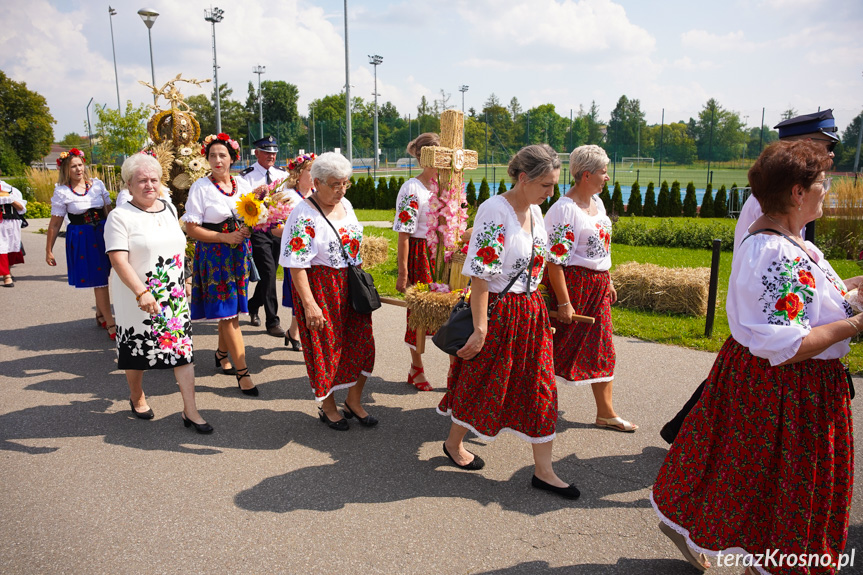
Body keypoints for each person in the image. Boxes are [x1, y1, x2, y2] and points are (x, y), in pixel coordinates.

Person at [652, 140, 857, 574]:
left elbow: (809, 298)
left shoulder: (787, 241)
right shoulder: (775, 251)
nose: (828, 189)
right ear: (798, 193)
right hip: (789, 388)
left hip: (782, 385)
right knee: (777, 488)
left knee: (756, 482)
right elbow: (788, 345)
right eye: (822, 183)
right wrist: (858, 324)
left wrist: (853, 292)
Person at [660, 109, 841, 445]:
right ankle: (687, 432)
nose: (830, 156)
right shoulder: (773, 210)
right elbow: (766, 265)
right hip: (772, 321)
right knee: (734, 390)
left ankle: (685, 431)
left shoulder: (791, 198)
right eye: (822, 146)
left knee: (725, 386)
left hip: (779, 323)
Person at [437, 144, 579, 500]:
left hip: (530, 312)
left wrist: (549, 309)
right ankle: (454, 444)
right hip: (499, 312)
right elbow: (481, 275)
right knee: (480, 379)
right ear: (523, 178)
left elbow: (538, 265)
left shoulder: (535, 211)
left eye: (554, 185)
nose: (551, 193)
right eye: (546, 185)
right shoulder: (494, 210)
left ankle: (544, 471)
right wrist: (481, 327)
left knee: (540, 386)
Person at [104, 154, 212, 433]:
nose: (149, 185)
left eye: (153, 179)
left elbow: (177, 248)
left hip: (173, 296)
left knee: (183, 352)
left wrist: (185, 278)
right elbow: (118, 261)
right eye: (142, 180)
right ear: (129, 184)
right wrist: (141, 292)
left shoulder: (168, 209)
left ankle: (191, 411)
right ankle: (137, 395)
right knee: (137, 352)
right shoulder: (120, 217)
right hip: (136, 296)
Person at [279, 152, 376, 431]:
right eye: (334, 184)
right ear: (316, 182)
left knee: (363, 346)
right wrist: (309, 305)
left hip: (351, 286)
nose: (341, 190)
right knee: (326, 349)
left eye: (345, 183)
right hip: (321, 287)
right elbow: (296, 265)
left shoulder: (346, 203)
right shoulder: (303, 213)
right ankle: (329, 405)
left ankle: (354, 402)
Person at [544, 145, 636, 432]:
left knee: (603, 349)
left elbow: (600, 248)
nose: (607, 177)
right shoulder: (565, 210)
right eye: (603, 172)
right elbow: (554, 262)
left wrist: (606, 279)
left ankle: (606, 413)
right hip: (573, 287)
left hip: (596, 287)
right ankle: (530, 405)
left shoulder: (597, 202)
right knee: (552, 350)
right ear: (586, 175)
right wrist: (564, 303)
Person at [182, 132, 258, 396]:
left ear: (232, 159)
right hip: (214, 256)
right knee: (229, 315)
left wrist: (248, 227)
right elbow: (191, 228)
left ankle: (221, 353)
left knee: (231, 310)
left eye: (222, 155)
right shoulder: (200, 187)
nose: (217, 160)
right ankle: (243, 373)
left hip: (238, 253)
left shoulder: (242, 184)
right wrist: (225, 237)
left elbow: (251, 215)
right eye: (212, 155)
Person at [46, 149, 115, 339]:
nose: (78, 169)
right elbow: (55, 223)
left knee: (104, 276)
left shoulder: (97, 185)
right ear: (66, 170)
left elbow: (108, 211)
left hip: (102, 233)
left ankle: (100, 314)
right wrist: (48, 250)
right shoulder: (62, 192)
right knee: (100, 280)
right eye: (72, 166)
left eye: (79, 165)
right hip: (83, 237)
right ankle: (111, 322)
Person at [393, 132, 440, 391]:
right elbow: (404, 234)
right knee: (420, 314)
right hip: (420, 254)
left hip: (441, 254)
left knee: (451, 311)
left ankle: (455, 368)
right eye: (435, 156)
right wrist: (403, 273)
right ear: (423, 159)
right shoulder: (412, 188)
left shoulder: (446, 185)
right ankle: (416, 367)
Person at [240, 136, 288, 337]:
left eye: (274, 152)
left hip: (278, 229)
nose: (271, 155)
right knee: (268, 271)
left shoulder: (283, 175)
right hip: (258, 229)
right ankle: (272, 321)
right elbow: (241, 202)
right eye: (267, 152)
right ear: (257, 153)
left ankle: (253, 304)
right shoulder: (246, 176)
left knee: (271, 271)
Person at [272, 152, 316, 351]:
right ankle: (300, 333)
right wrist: (296, 234)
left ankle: (294, 331)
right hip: (296, 254)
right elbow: (273, 228)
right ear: (298, 174)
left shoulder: (319, 194)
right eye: (309, 170)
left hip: (317, 255)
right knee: (301, 294)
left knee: (313, 294)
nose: (314, 174)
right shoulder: (287, 197)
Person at [0, 176, 27, 287]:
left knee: (12, 248)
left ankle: (8, 271)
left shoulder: (12, 190)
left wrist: (10, 199)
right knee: (1, 248)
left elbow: (21, 209)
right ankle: (7, 276)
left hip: (13, 222)